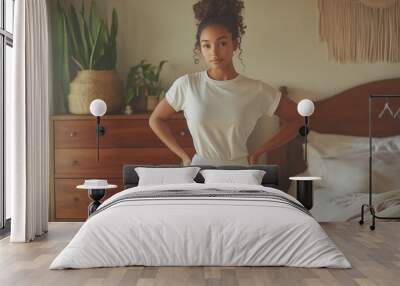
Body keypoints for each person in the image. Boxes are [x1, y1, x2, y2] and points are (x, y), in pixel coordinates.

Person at [149, 0, 301, 166]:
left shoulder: (256, 89)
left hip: (240, 172)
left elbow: (298, 119)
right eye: (206, 45)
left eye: (222, 43)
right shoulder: (188, 85)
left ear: (234, 44)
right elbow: (156, 119)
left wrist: (259, 152)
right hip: (200, 172)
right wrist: (183, 156)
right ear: (200, 48)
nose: (214, 52)